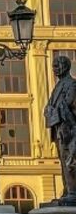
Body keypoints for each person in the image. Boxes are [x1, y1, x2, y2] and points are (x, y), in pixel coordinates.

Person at [44, 55, 76, 204]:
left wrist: (52, 111)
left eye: (57, 66)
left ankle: (73, 192)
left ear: (65, 67)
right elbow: (49, 107)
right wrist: (50, 110)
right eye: (53, 66)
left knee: (70, 160)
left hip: (68, 129)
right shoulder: (57, 86)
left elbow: (67, 104)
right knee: (63, 161)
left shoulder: (72, 84)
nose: (54, 69)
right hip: (58, 128)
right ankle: (67, 190)